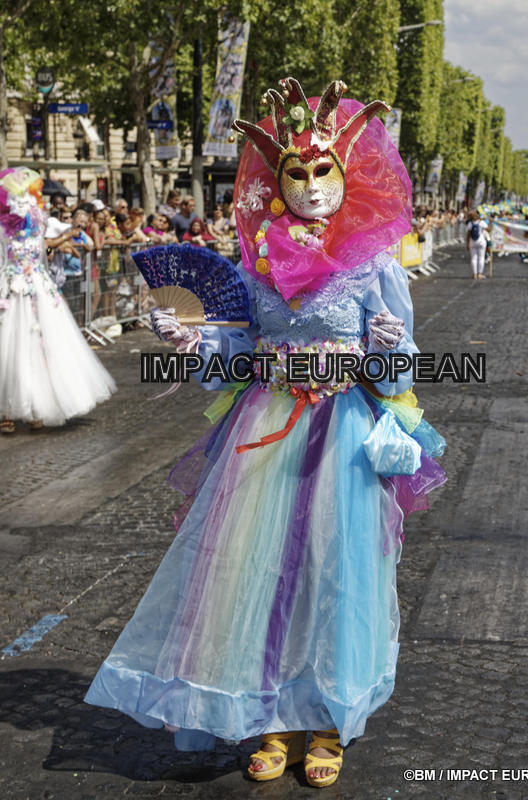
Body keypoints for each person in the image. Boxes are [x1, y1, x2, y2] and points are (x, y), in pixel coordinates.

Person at [85, 78, 446, 787]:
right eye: (296, 173)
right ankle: (271, 716)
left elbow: (398, 369)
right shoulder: (259, 262)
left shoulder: (374, 264)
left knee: (334, 573)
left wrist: (387, 346)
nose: (310, 186)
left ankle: (328, 722)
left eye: (322, 171)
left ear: (346, 175)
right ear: (276, 181)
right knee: (257, 573)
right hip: (266, 426)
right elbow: (242, 347)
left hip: (342, 434)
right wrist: (194, 341)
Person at [0, 167, 116, 433]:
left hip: (37, 289)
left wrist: (59, 243)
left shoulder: (37, 219)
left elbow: (43, 247)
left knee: (39, 346)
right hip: (13, 289)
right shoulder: (5, 225)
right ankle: (8, 409)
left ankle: (33, 406)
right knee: (12, 348)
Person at [466, 209, 488, 279]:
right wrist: (491, 222)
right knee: (481, 257)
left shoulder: (470, 223)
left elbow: (468, 234)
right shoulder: (482, 222)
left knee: (473, 258)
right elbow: (489, 229)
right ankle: (480, 274)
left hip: (472, 242)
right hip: (481, 241)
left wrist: (467, 243)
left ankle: (474, 274)